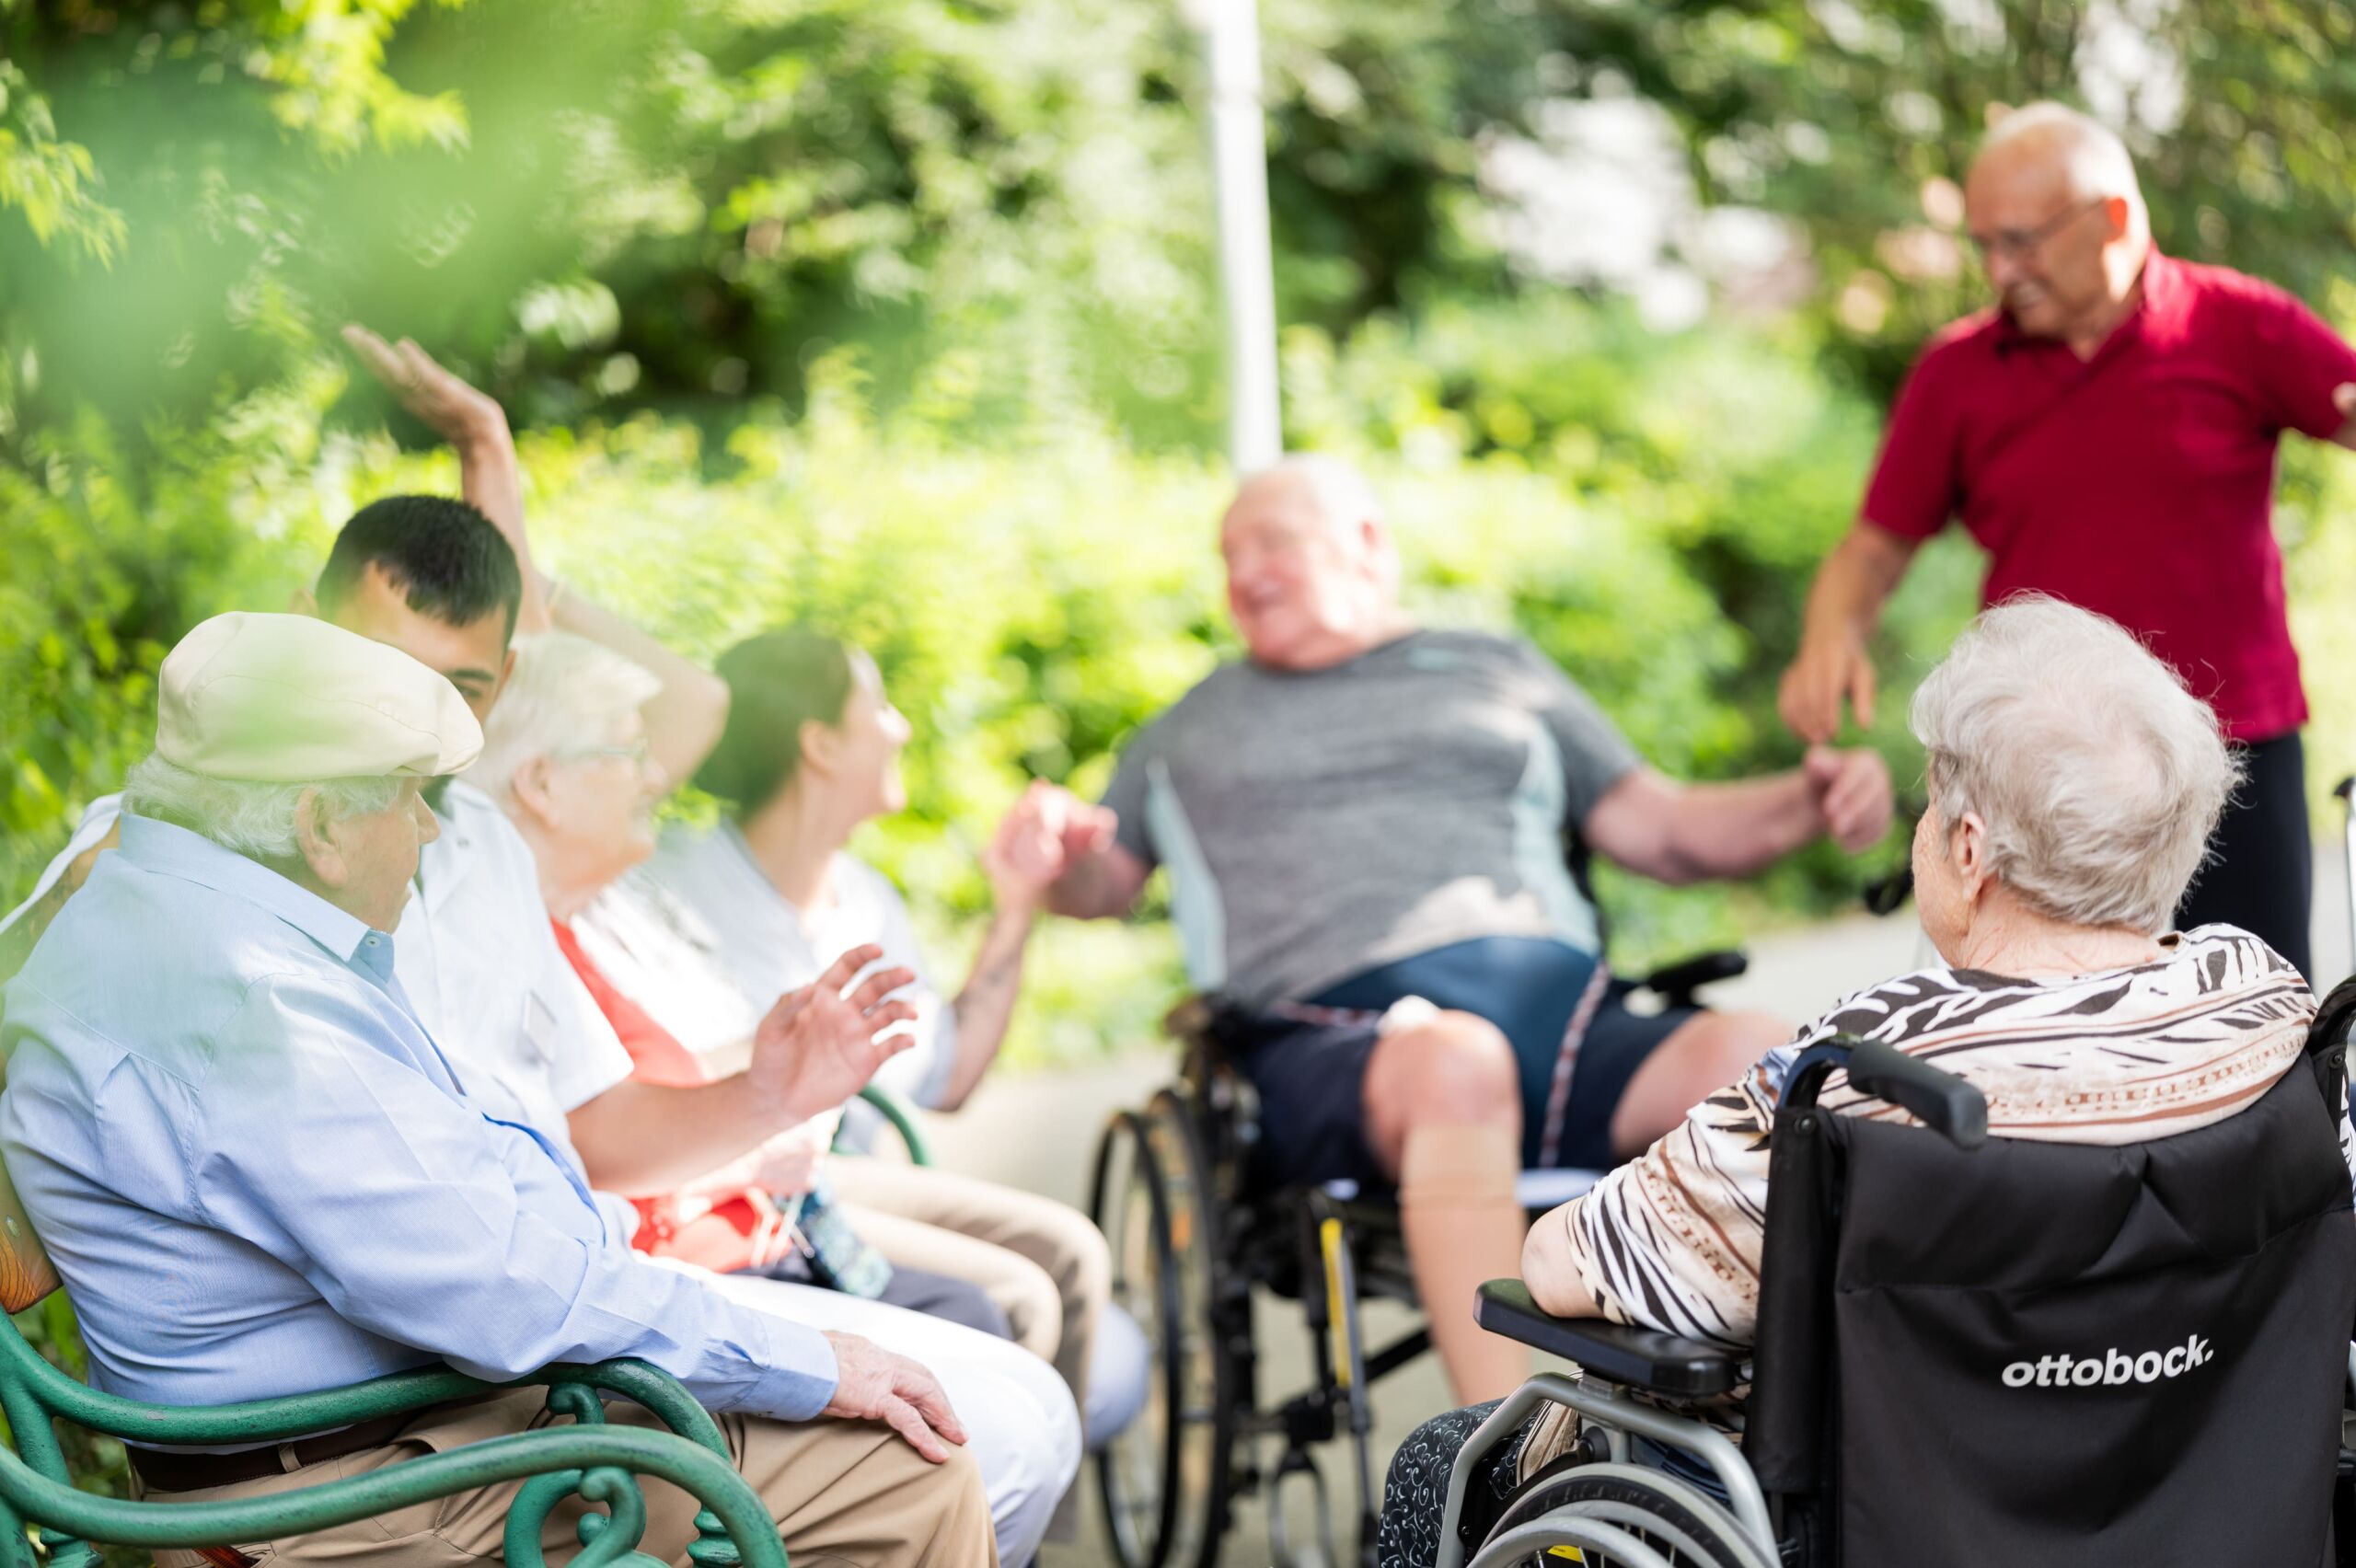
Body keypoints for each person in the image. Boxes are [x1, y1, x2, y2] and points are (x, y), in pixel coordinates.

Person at [0, 340, 1084, 1561]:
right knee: (917, 1469)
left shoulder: (194, 888)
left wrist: (759, 1113)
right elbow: (488, 1285)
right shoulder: (237, 985)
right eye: (410, 794)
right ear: (319, 822)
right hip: (366, 1474)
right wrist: (800, 1355)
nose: (435, 819)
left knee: (940, 1413)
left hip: (431, 1404)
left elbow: (500, 1216)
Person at [1377, 596, 2346, 1568]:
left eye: (1931, 801)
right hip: (2193, 1508)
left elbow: (1566, 1268)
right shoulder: (2267, 1008)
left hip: (1889, 1523)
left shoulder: (1872, 1079)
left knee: (1440, 1461)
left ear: (1968, 850)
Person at [1044, 455, 1896, 1405]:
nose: (1244, 575)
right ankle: (1498, 1457)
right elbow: (1100, 885)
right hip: (1338, 1049)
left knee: (1766, 1059)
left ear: (1367, 544)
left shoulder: (1498, 669)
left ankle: (1787, 1423)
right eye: (1228, 555)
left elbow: (1662, 828)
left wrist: (1807, 799)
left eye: (1272, 544)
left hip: (1562, 1028)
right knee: (1458, 1063)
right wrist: (1058, 855)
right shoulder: (1187, 729)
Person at [1779, 101, 2356, 979]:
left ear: (2113, 218)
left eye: (2020, 241)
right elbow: (1873, 549)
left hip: (2232, 759)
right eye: (1984, 244)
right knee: (2027, 1028)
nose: (1998, 269)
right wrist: (1831, 635)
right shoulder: (1956, 372)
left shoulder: (2240, 322)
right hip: (2032, 775)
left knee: (2259, 1012)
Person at [641, 628, 1143, 1454]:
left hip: (837, 1182)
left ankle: (1031, 1503)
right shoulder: (668, 882)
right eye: (878, 705)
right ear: (820, 744)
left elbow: (946, 1076)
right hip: (742, 1183)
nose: (902, 726)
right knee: (1016, 1297)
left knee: (1075, 1255)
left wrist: (1016, 903)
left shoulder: (867, 899)